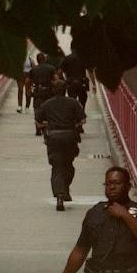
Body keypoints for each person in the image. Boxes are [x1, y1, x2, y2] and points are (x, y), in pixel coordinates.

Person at [35, 79, 86, 211]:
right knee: (68, 165)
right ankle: (65, 188)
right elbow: (82, 120)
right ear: (66, 90)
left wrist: (48, 125)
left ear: (53, 90)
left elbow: (38, 122)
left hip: (53, 138)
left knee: (57, 167)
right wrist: (73, 125)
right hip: (69, 137)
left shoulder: (47, 104)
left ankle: (60, 195)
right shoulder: (73, 103)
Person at [28, 54, 58, 135]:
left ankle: (38, 128)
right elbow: (56, 80)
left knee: (37, 109)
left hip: (37, 92)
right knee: (49, 109)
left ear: (37, 60)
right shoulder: (51, 68)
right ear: (44, 59)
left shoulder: (33, 70)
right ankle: (47, 127)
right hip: (49, 92)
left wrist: (29, 90)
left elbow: (27, 81)